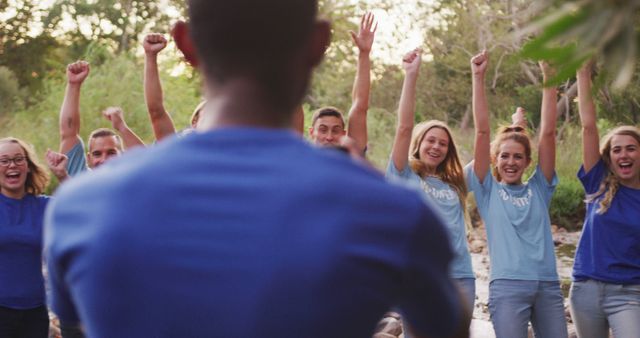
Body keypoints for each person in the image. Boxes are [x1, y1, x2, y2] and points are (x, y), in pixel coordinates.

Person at [44, 1, 469, 337]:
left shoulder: (80, 206)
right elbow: (447, 325)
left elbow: (74, 320)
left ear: (185, 43)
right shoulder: (387, 212)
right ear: (318, 44)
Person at [466, 51, 567, 338]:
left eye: (518, 157)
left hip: (547, 285)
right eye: (505, 156)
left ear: (527, 161)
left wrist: (549, 79)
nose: (511, 162)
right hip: (508, 287)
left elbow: (547, 134)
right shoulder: (487, 190)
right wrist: (478, 77)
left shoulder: (540, 186)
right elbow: (483, 133)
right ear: (494, 160)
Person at [387, 48, 475, 318]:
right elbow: (404, 126)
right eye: (431, 140)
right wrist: (411, 76)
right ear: (419, 143)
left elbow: (487, 150)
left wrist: (516, 127)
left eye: (443, 143)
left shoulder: (457, 183)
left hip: (460, 277)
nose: (436, 147)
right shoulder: (403, 174)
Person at [569, 61, 640, 338]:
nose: (624, 155)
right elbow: (588, 127)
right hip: (585, 290)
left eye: (631, 149)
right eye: (617, 150)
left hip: (630, 293)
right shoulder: (597, 184)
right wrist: (583, 73)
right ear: (609, 158)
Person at [57, 61, 144, 181]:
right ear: (89, 158)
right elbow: (68, 132)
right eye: (97, 154)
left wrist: (122, 127)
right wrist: (73, 84)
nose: (104, 160)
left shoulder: (132, 180)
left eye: (111, 153)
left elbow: (145, 159)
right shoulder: (82, 181)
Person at [0, 137, 50, 338]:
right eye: (4, 160)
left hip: (35, 311)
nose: (12, 165)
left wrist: (63, 174)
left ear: (28, 166)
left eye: (19, 159)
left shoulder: (43, 206)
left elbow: (83, 209)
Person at [308, 12, 376, 154]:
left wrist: (364, 54)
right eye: (323, 130)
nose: (329, 137)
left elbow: (360, 106)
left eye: (336, 131)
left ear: (344, 134)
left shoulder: (351, 158)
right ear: (311, 132)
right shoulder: (299, 158)